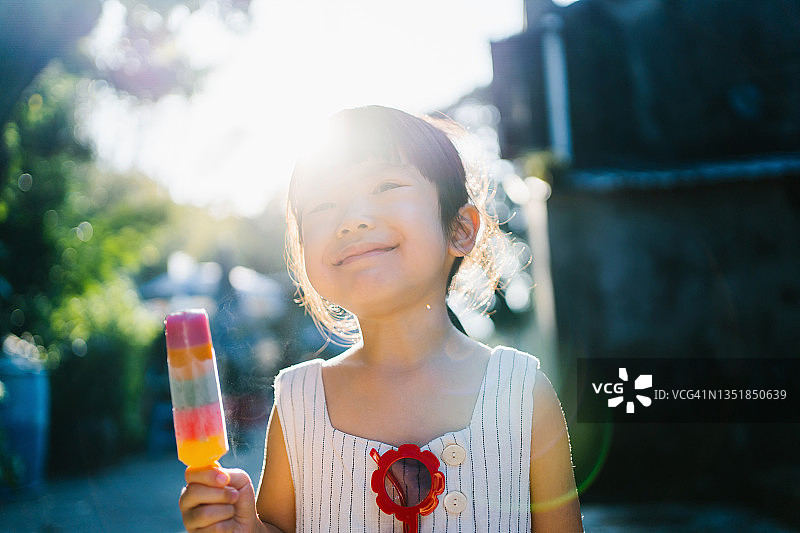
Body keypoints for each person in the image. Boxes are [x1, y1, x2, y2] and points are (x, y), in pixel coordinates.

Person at [178, 106, 584, 532]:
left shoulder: (521, 393)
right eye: (321, 205)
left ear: (460, 229)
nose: (351, 220)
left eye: (386, 185)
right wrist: (243, 527)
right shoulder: (300, 402)